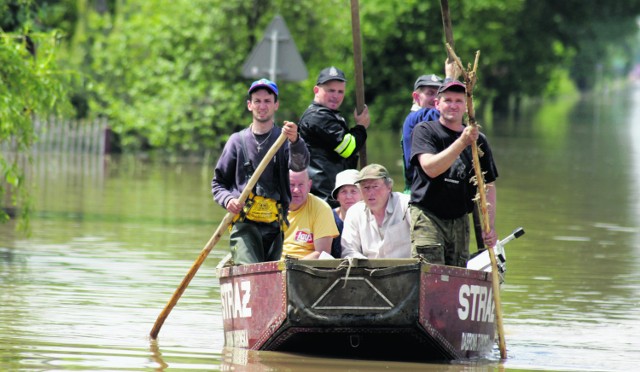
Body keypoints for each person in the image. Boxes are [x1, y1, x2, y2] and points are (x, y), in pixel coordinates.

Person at [211, 78, 309, 265]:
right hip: (244, 226)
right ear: (249, 105)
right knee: (251, 270)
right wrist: (228, 199)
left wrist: (296, 141)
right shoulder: (236, 141)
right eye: (257, 101)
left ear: (276, 105)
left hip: (275, 227)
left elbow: (299, 165)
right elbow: (218, 183)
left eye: (267, 101)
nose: (262, 106)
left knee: (271, 275)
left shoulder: (285, 139)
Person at [409, 79, 499, 267]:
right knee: (430, 274)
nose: (453, 105)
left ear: (467, 107)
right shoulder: (425, 131)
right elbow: (430, 169)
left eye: (459, 101)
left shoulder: (478, 140)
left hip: (459, 219)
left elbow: (488, 185)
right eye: (447, 100)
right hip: (428, 215)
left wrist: (488, 226)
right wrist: (462, 142)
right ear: (437, 104)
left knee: (455, 276)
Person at [298, 66, 370, 206]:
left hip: (332, 192)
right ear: (316, 90)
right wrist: (361, 127)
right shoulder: (317, 117)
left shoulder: (328, 115)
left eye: (340, 91)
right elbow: (347, 148)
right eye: (330, 90)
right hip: (323, 196)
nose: (336, 96)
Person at [340, 164, 411, 259]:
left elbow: (422, 240)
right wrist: (364, 266)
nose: (370, 193)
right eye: (365, 187)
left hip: (407, 270)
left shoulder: (406, 204)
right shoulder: (354, 212)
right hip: (369, 271)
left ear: (389, 187)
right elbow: (349, 250)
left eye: (375, 186)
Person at [282, 169, 339, 259]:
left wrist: (293, 268)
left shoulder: (321, 208)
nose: (296, 190)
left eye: (301, 185)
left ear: (309, 185)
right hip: (273, 266)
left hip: (305, 269)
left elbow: (322, 253)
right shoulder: (273, 206)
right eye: (291, 184)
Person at [401, 74, 443, 193]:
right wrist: (451, 78)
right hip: (418, 190)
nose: (436, 98)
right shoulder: (415, 117)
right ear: (416, 97)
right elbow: (441, 115)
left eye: (439, 94)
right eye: (430, 93)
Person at [329, 169, 362, 258]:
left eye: (353, 191)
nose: (348, 196)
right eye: (343, 191)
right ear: (337, 196)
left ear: (362, 194)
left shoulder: (371, 217)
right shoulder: (328, 218)